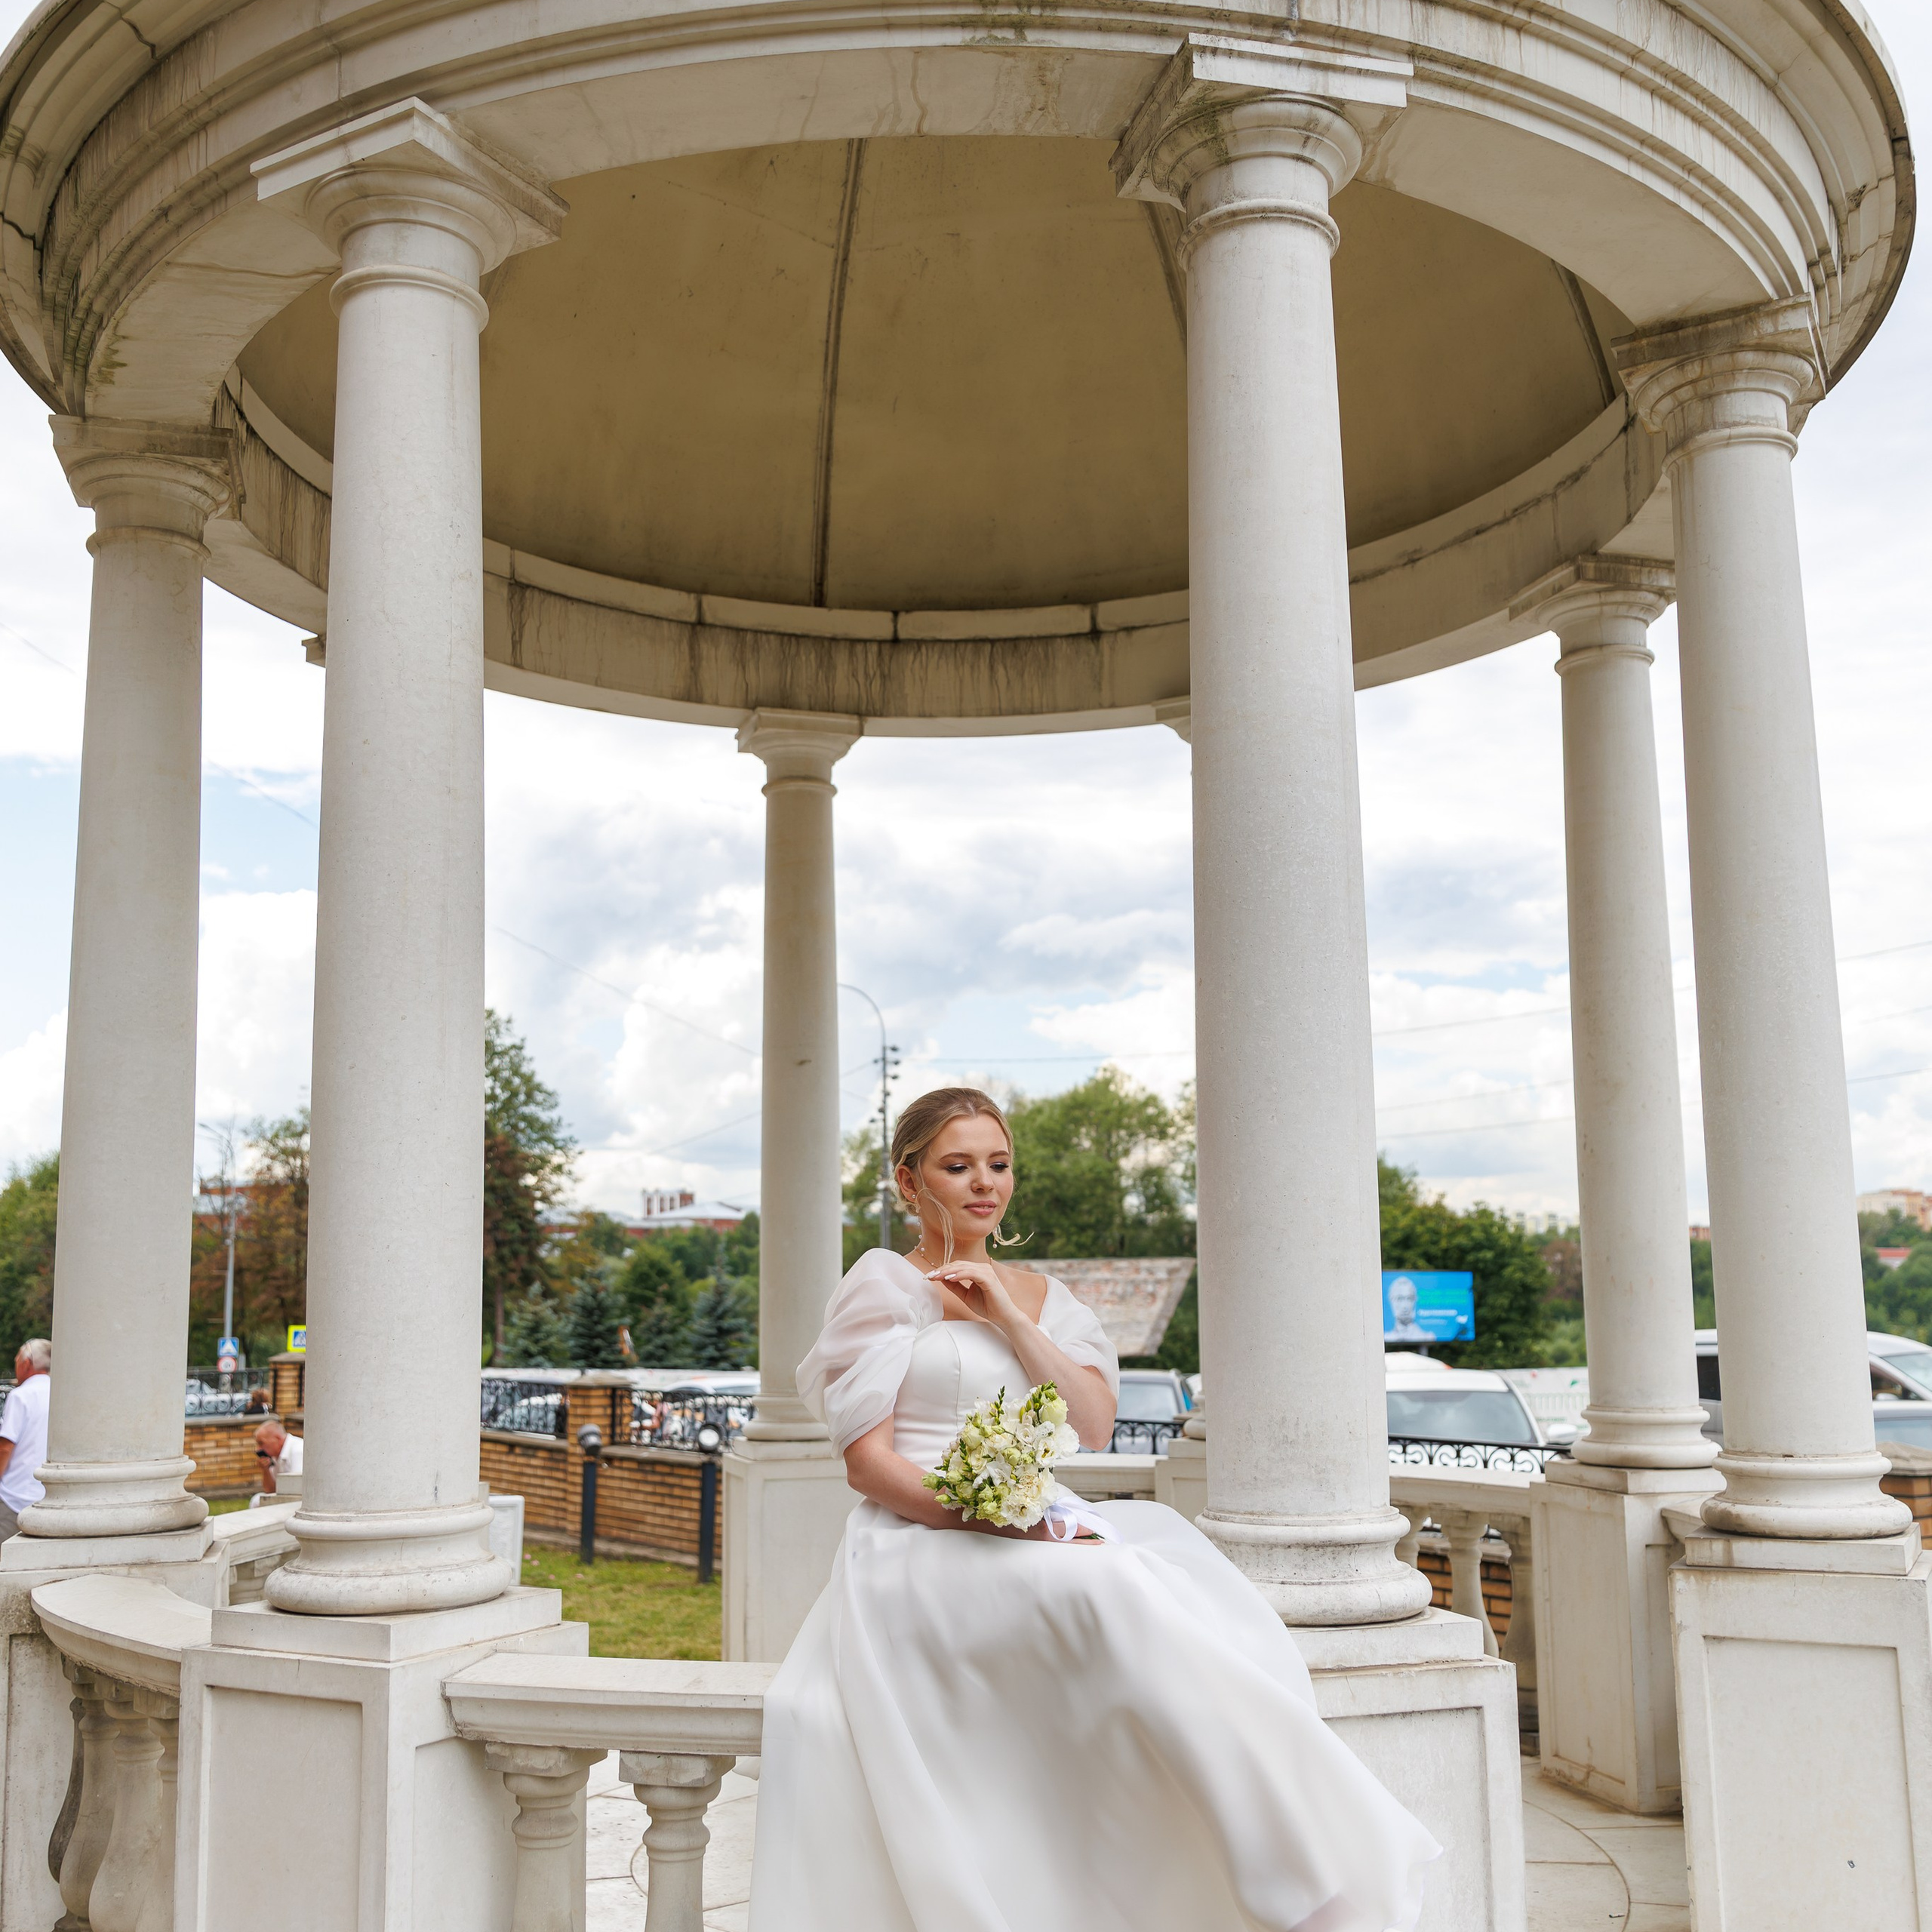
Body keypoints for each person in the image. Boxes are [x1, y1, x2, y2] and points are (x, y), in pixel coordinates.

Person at [749, 1088, 1439, 1932]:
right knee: (1103, 1592)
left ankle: (1294, 1864)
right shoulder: (883, 1286)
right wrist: (987, 1519)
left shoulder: (1045, 1296)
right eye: (956, 1165)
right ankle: (1283, 1880)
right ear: (908, 1178)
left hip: (1035, 1516)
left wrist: (1005, 1312)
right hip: (918, 1536)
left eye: (997, 1165)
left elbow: (1090, 1423)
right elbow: (869, 1464)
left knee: (1170, 1594)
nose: (983, 1184)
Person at [0, 1340, 51, 1540]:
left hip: (15, 1497)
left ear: (26, 1363)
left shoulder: (22, 1395)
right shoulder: (60, 1393)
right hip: (47, 1497)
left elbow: (5, 1447)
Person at [249, 1417, 303, 1506]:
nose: (259, 1449)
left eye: (261, 1443)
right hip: (287, 1498)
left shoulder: (298, 1450)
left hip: (298, 1501)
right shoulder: (274, 1456)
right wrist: (265, 1470)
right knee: (256, 1500)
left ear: (278, 1439)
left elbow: (297, 1490)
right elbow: (270, 1491)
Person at [1385, 1275, 1433, 1343]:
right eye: (1399, 1299)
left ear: (1415, 1301)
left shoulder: (1427, 1337)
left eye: (1409, 1299)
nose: (1405, 1306)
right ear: (1391, 1301)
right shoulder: (1386, 1337)